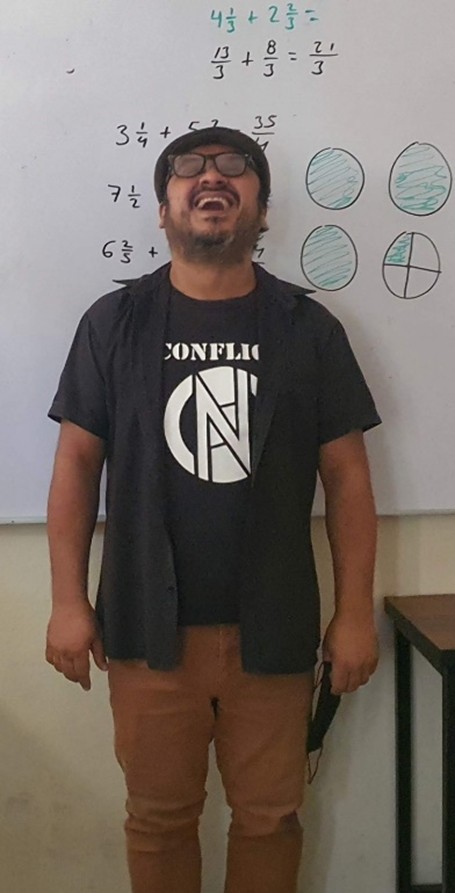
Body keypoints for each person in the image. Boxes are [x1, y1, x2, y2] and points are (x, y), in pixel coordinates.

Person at [46, 125, 381, 893]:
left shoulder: (307, 329)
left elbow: (348, 479)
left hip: (273, 626)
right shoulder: (113, 324)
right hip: (145, 627)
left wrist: (353, 613)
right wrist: (67, 601)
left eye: (236, 166)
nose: (210, 177)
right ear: (162, 208)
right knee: (158, 819)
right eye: (186, 168)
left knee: (271, 818)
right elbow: (75, 464)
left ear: (261, 209)